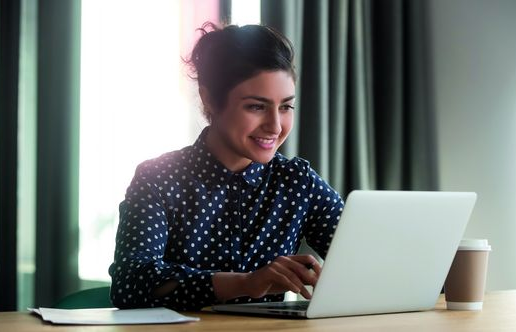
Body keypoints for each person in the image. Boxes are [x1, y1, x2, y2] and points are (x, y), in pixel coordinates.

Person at [108, 22, 344, 311]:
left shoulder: (297, 181)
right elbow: (130, 284)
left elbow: (366, 258)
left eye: (285, 107)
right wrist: (246, 283)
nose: (275, 126)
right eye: (256, 106)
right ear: (210, 99)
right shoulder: (158, 178)